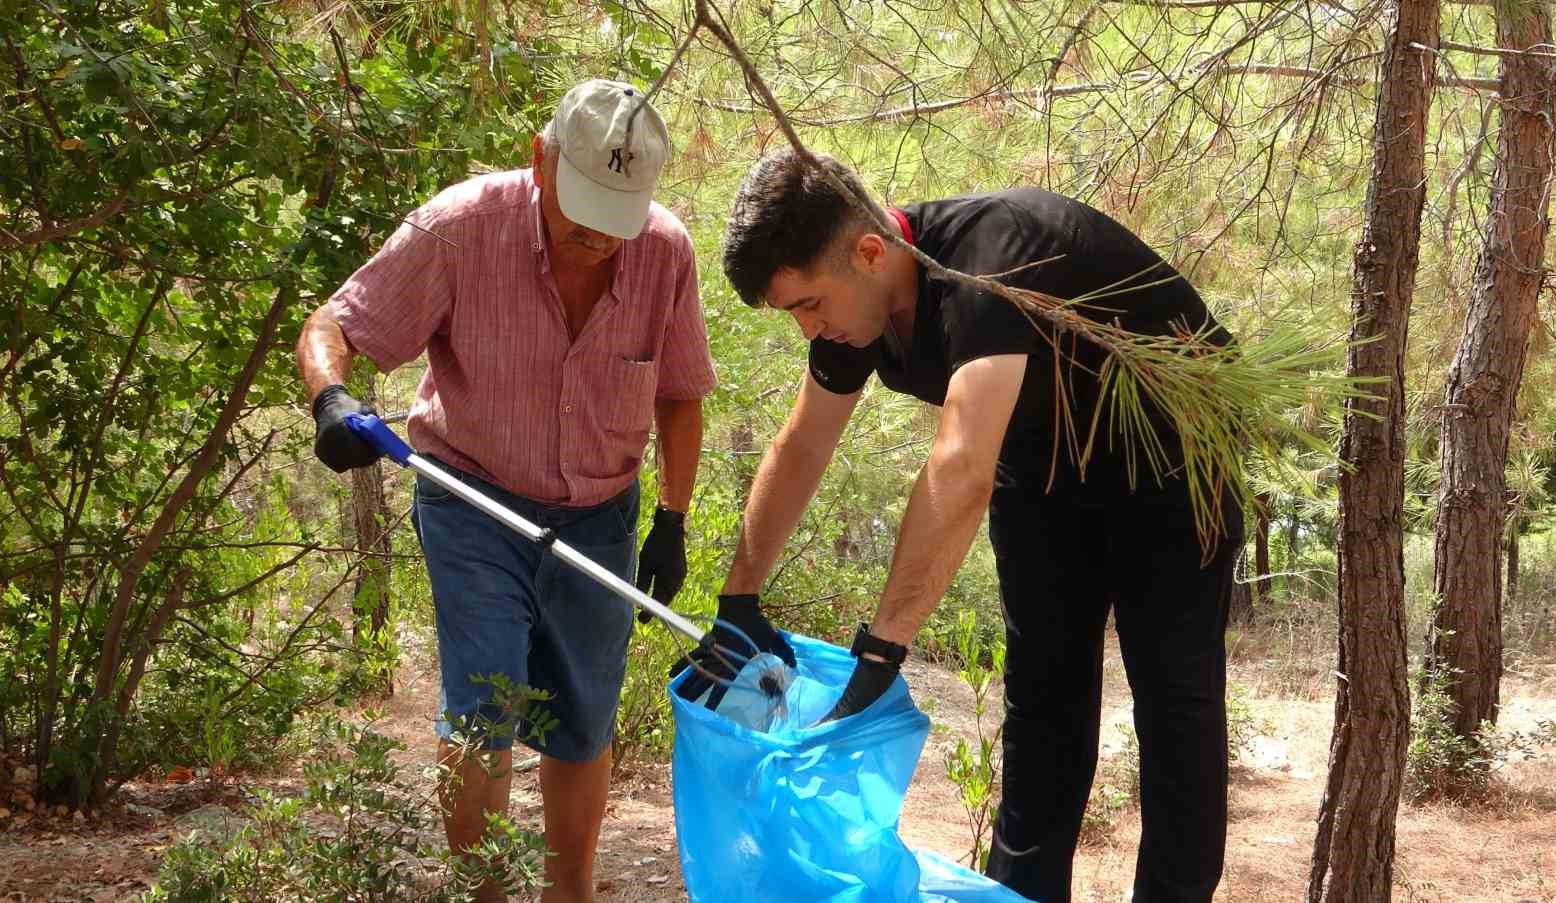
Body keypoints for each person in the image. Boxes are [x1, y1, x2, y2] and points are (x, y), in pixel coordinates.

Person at [682, 149, 1242, 903]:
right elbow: (804, 442)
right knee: (1043, 705)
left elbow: (959, 466)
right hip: (1046, 465)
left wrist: (882, 647)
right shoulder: (859, 309)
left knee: (1174, 707)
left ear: (870, 252)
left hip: (1175, 460)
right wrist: (738, 598)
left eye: (808, 305)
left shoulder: (990, 261)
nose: (809, 327)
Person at [295, 79, 715, 903]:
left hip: (601, 512)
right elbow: (333, 325)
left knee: (585, 717)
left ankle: (572, 893)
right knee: (485, 703)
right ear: (541, 157)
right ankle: (482, 894)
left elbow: (680, 392)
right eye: (582, 210)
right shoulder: (458, 230)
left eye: (616, 215)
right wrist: (332, 398)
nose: (598, 236)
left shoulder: (664, 249)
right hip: (471, 498)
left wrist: (672, 519)